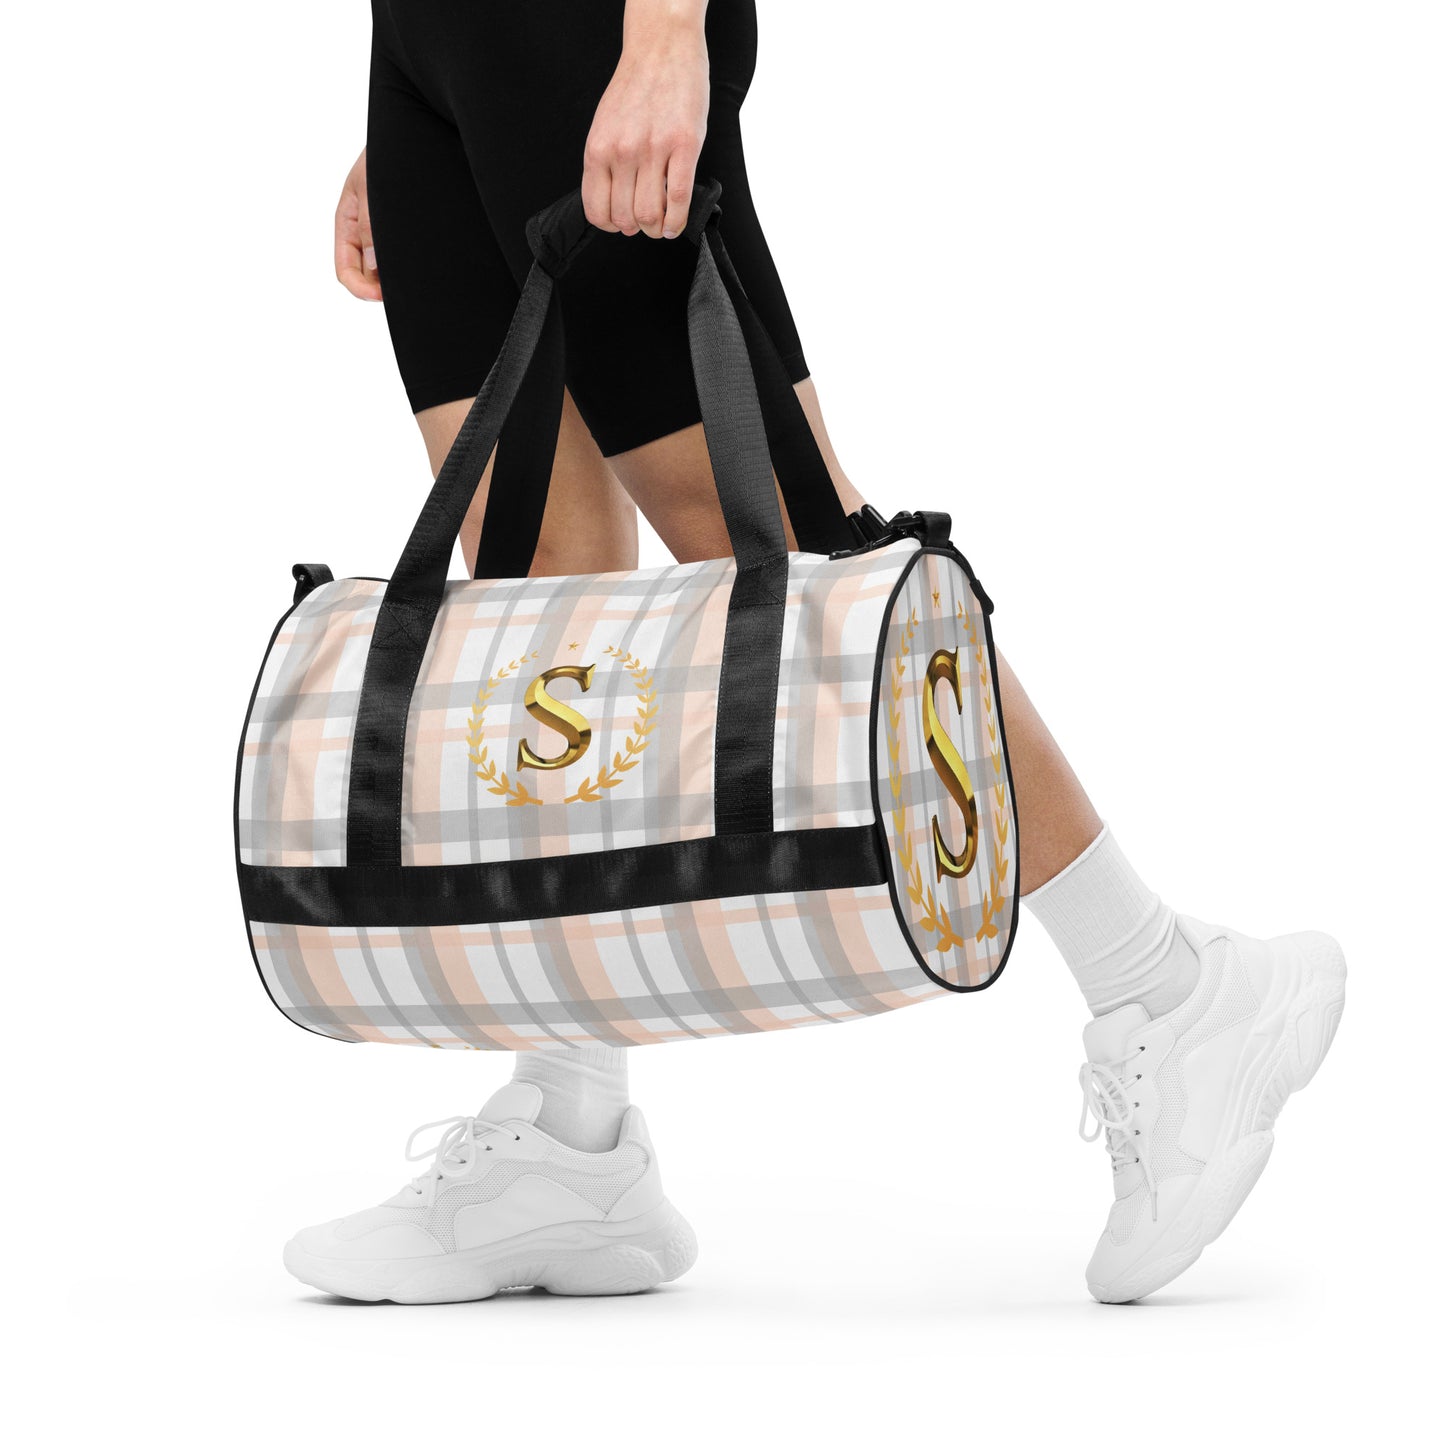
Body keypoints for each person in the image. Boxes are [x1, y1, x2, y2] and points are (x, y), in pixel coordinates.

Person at [284, 0, 1346, 1306]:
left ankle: (1170, 987)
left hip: (584, 22)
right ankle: (571, 1135)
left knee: (809, 570)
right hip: (437, 44)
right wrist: (432, 94)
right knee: (534, 605)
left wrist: (662, 32)